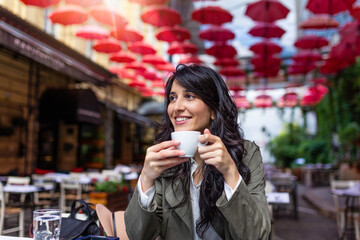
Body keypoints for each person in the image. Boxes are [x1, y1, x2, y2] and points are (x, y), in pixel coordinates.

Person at [125, 64, 271, 240]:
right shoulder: (165, 158)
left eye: (189, 96)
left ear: (214, 110)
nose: (176, 107)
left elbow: (258, 236)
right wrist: (146, 178)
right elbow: (138, 236)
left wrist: (230, 172)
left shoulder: (247, 154)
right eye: (172, 98)